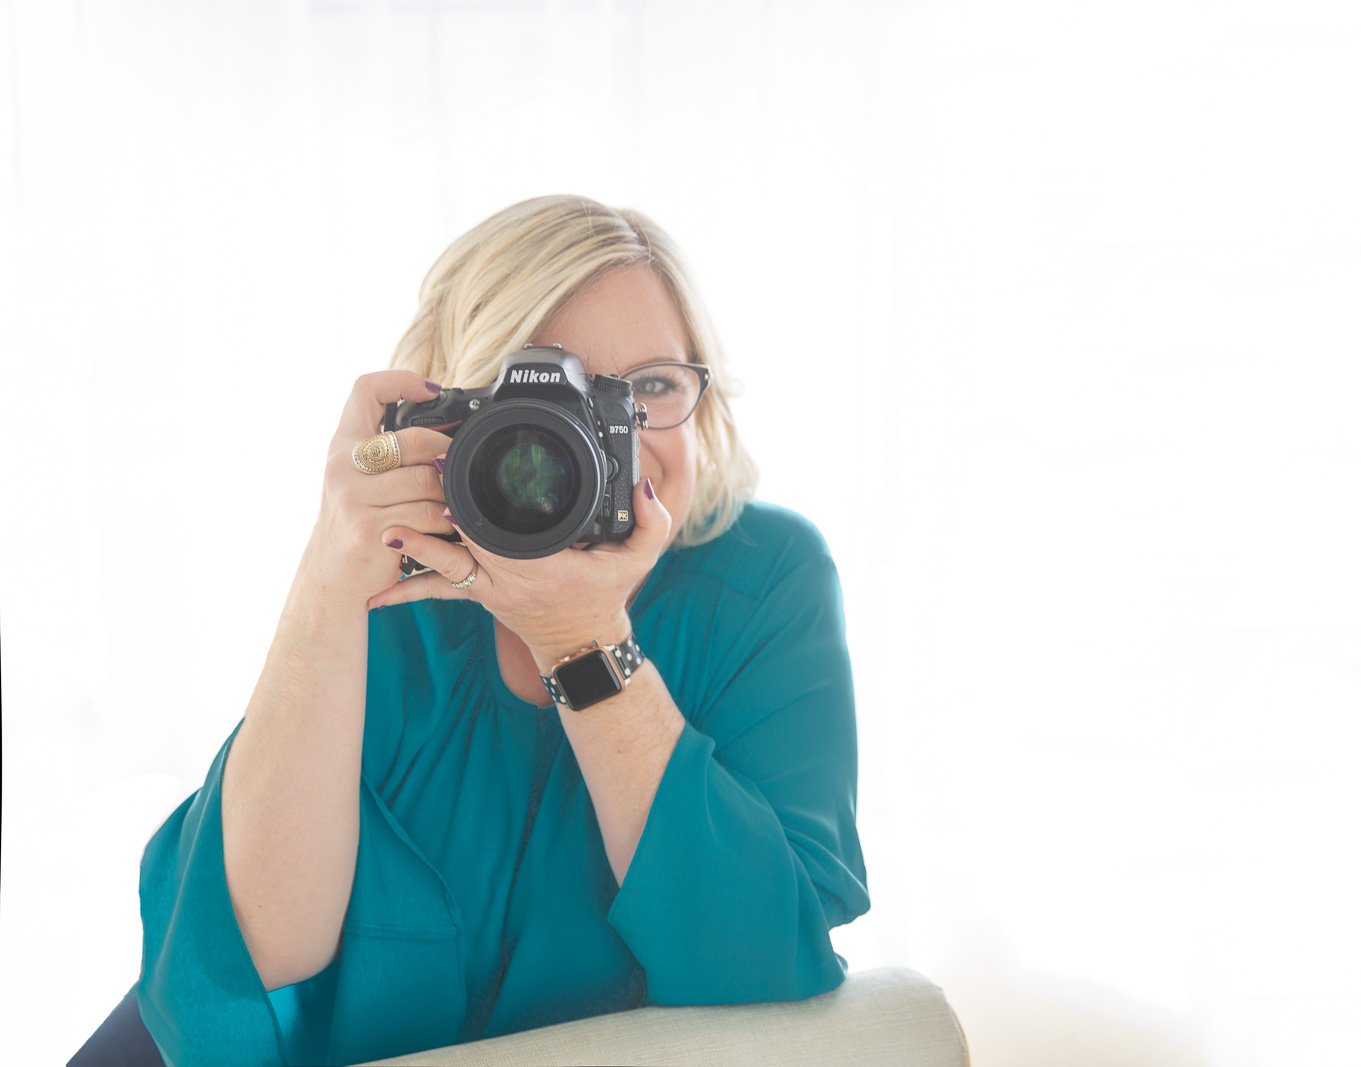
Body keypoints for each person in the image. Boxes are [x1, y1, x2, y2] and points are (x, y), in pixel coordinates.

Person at [71, 195, 869, 1066]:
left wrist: (581, 636)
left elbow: (765, 963)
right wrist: (328, 577)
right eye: (541, 390)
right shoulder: (396, 570)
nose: (606, 440)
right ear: (449, 410)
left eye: (648, 386)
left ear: (702, 398)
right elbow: (244, 975)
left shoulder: (763, 577)